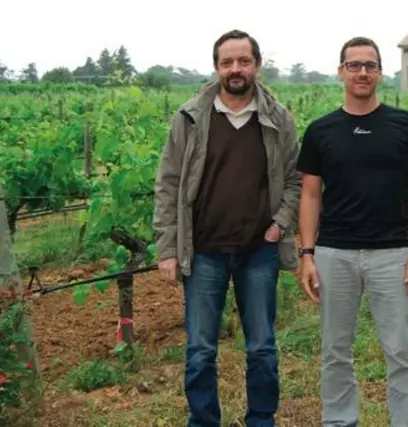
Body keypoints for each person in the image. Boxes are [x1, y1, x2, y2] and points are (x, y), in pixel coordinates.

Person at [153, 29, 301, 427]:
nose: (235, 69)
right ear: (217, 66)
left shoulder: (278, 118)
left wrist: (279, 226)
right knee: (200, 350)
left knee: (262, 348)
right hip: (203, 252)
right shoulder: (189, 118)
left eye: (243, 61)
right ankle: (203, 422)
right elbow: (167, 183)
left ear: (257, 64)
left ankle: (261, 420)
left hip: (259, 251)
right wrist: (168, 248)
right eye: (227, 62)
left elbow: (294, 180)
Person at [295, 36, 408, 426]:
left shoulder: (405, 125)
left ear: (380, 72)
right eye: (354, 65)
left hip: (391, 254)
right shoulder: (320, 130)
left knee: (402, 352)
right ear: (340, 71)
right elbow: (309, 195)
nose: (362, 72)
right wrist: (307, 254)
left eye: (369, 65)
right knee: (335, 351)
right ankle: (340, 421)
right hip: (333, 254)